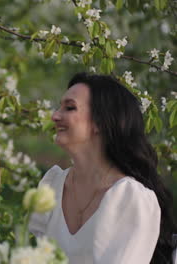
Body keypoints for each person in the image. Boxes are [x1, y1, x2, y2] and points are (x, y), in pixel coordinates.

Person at [29, 72, 176, 263]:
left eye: (70, 108)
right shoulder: (53, 185)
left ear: (100, 122)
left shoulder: (131, 198)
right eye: (59, 107)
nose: (55, 115)